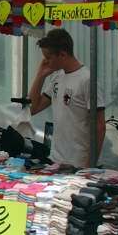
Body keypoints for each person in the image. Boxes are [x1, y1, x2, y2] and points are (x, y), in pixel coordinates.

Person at [28, 28, 106, 169]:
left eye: (48, 57)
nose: (46, 62)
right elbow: (33, 108)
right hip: (55, 160)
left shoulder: (87, 80)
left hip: (78, 164)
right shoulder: (58, 77)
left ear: (63, 54)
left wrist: (89, 166)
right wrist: (40, 76)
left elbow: (99, 127)